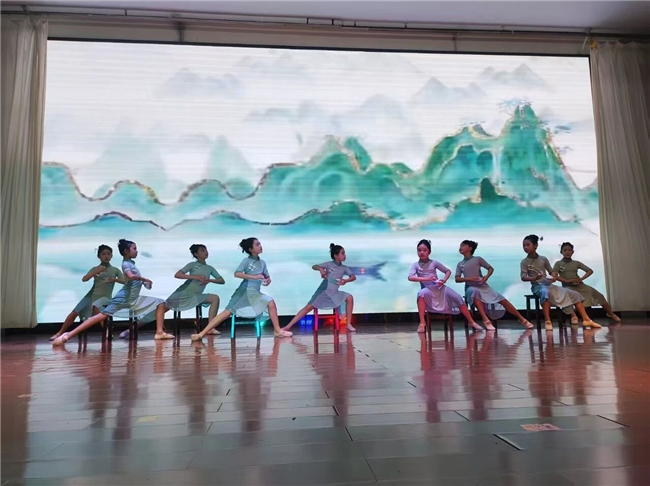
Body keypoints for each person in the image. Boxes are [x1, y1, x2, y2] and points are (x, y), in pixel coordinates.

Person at [51, 239, 174, 346]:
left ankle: (159, 332)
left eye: (136, 249)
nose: (137, 251)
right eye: (134, 249)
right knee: (99, 316)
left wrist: (143, 283)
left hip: (130, 298)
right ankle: (67, 335)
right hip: (123, 298)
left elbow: (128, 280)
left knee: (160, 303)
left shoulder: (128, 265)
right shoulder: (126, 264)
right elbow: (130, 276)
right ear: (126, 251)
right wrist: (143, 279)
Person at [190, 237, 292, 341]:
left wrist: (267, 281)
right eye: (257, 244)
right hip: (244, 292)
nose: (260, 246)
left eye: (260, 244)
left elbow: (266, 278)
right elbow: (237, 273)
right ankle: (201, 334)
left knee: (271, 302)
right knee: (227, 313)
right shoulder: (246, 261)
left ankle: (277, 330)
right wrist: (254, 277)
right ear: (251, 249)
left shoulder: (262, 263)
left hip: (255, 293)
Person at [521, 234, 601, 331]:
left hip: (549, 285)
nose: (525, 247)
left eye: (528, 245)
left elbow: (551, 271)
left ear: (535, 245)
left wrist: (554, 276)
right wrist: (534, 278)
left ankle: (586, 319)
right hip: (537, 286)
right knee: (544, 292)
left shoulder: (543, 259)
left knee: (574, 294)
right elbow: (523, 277)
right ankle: (548, 320)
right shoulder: (524, 262)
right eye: (524, 246)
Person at [50, 245, 125, 341]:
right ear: (99, 256)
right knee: (75, 312)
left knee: (97, 308)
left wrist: (114, 279)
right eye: (103, 254)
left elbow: (124, 281)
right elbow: (84, 279)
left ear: (111, 256)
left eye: (108, 254)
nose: (106, 256)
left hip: (104, 296)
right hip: (91, 295)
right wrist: (96, 271)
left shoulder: (115, 270)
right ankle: (59, 333)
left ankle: (106, 331)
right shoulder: (95, 268)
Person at [455, 240, 533, 330]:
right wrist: (469, 279)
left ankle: (522, 319)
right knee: (474, 292)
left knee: (502, 300)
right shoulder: (460, 264)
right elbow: (457, 279)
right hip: (470, 287)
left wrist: (486, 277)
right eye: (460, 245)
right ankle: (486, 320)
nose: (460, 247)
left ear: (470, 248)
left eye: (463, 245)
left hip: (483, 286)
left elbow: (490, 268)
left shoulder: (477, 259)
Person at [409, 239, 482, 333]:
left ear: (429, 252)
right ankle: (422, 323)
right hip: (427, 289)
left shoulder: (434, 262)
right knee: (421, 294)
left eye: (424, 250)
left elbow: (447, 271)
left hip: (439, 287)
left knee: (458, 297)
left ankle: (471, 322)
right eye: (419, 250)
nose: (422, 252)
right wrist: (426, 279)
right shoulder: (416, 265)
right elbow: (410, 277)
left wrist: (443, 280)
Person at [282, 243, 357, 333]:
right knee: (308, 307)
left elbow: (353, 277)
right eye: (342, 253)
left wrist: (346, 281)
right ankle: (288, 326)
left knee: (349, 297)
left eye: (344, 253)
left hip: (334, 293)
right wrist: (321, 269)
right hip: (324, 291)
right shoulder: (329, 264)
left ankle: (348, 324)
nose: (345, 255)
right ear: (336, 256)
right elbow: (314, 266)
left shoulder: (344, 268)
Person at [553, 242, 621, 324]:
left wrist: (581, 279)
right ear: (561, 252)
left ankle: (611, 313)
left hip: (580, 285)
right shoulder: (558, 264)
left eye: (569, 250)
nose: (567, 252)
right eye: (565, 250)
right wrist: (567, 281)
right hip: (568, 287)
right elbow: (554, 276)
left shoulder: (576, 263)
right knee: (567, 296)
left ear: (572, 252)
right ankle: (573, 316)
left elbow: (589, 271)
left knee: (599, 295)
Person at [165, 244, 225, 334]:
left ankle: (210, 327)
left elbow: (221, 280)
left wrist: (209, 280)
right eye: (202, 250)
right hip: (183, 293)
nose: (206, 252)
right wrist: (195, 277)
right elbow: (177, 275)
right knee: (161, 309)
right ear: (196, 254)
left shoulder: (210, 268)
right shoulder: (192, 265)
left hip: (196, 295)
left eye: (206, 250)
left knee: (215, 298)